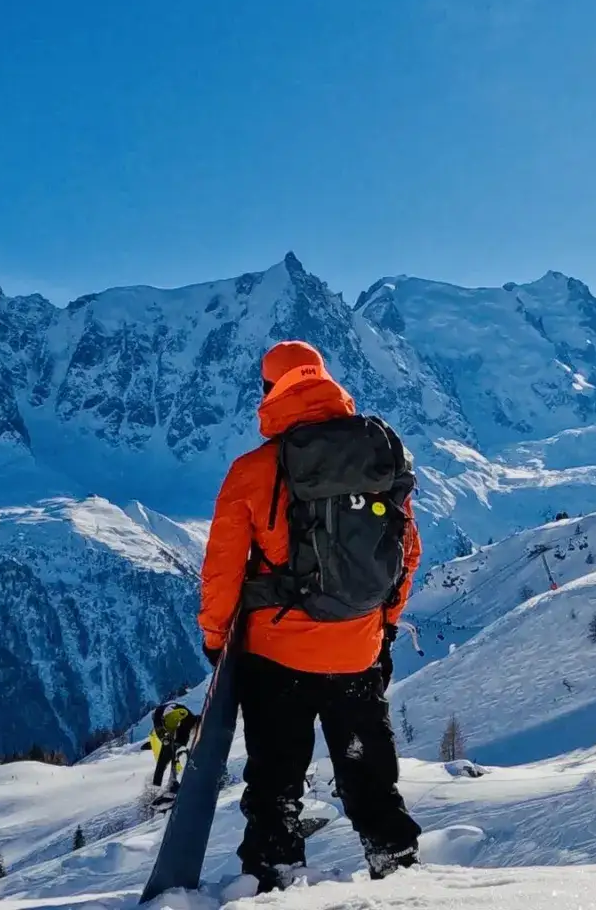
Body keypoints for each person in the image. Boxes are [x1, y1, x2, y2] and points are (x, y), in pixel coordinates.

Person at [198, 340, 422, 892]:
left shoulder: (254, 469)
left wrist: (215, 638)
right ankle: (398, 870)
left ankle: (274, 877)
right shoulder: (378, 453)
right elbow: (405, 550)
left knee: (277, 776)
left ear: (271, 390)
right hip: (359, 649)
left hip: (277, 657)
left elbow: (223, 567)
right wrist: (383, 622)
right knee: (368, 771)